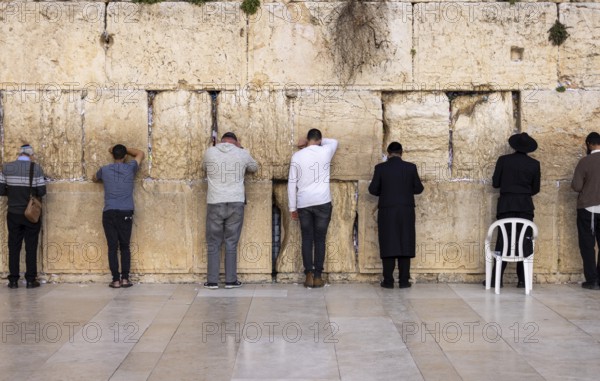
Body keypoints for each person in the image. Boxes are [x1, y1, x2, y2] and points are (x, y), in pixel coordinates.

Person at [203, 132, 258, 289]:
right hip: (235, 201)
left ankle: (212, 281)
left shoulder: (210, 151)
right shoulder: (241, 153)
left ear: (221, 141)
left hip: (215, 201)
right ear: (235, 142)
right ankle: (230, 281)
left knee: (213, 242)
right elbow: (254, 168)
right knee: (231, 242)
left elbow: (203, 167)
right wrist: (241, 149)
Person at [489, 133, 541, 288]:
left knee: (502, 240)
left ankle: (495, 278)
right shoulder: (534, 164)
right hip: (525, 206)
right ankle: (523, 279)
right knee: (524, 240)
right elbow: (535, 188)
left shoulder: (503, 160)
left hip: (506, 205)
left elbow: (496, 183)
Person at [369, 142, 424, 289]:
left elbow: (373, 189)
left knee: (388, 243)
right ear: (402, 152)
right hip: (406, 211)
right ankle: (404, 281)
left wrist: (386, 191)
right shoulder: (410, 167)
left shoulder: (380, 168)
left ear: (388, 152)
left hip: (387, 211)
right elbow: (419, 188)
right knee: (405, 242)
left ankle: (388, 281)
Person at [288, 129, 338, 288]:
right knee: (320, 239)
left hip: (303, 203)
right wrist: (318, 141)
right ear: (319, 139)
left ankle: (308, 275)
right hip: (323, 202)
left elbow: (291, 183)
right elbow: (335, 141)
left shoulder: (297, 156)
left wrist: (292, 207)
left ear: (308, 138)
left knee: (307, 239)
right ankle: (318, 276)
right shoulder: (325, 151)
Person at [93, 144, 145, 288]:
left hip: (109, 212)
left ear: (113, 155)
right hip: (125, 212)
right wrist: (123, 149)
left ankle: (115, 280)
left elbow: (94, 178)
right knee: (124, 247)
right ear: (125, 156)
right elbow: (140, 153)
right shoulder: (130, 168)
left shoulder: (104, 170)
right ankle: (125, 279)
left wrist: (113, 151)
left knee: (112, 247)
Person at [0, 144, 46, 289]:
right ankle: (30, 280)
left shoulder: (6, 168)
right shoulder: (36, 168)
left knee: (13, 246)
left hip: (13, 213)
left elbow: (1, 190)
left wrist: (13, 194)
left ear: (19, 153)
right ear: (30, 155)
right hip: (30, 214)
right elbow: (42, 191)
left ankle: (13, 280)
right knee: (31, 246)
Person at [571, 132, 600, 290]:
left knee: (587, 244)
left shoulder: (585, 162)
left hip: (587, 208)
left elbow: (577, 186)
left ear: (589, 144)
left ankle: (592, 280)